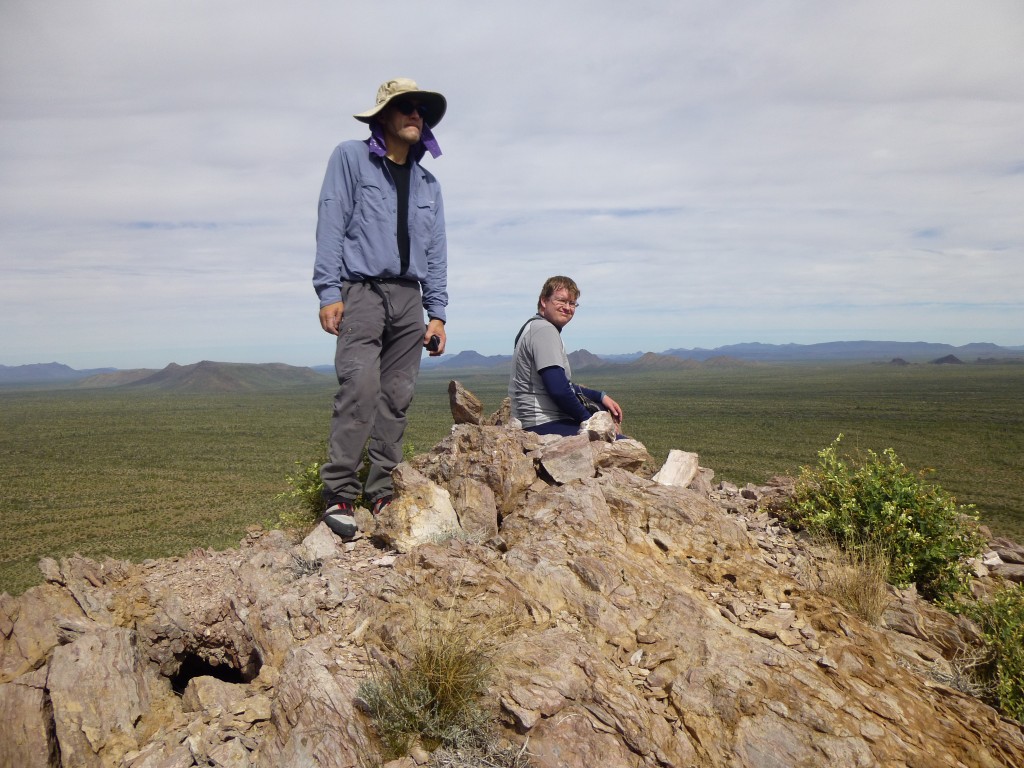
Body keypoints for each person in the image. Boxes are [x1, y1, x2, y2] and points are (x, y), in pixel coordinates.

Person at [313, 78, 449, 540]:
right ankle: (338, 492)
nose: (416, 115)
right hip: (361, 291)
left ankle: (383, 488)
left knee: (397, 396)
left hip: (410, 297)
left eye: (421, 110)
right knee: (360, 387)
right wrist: (328, 291)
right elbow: (332, 220)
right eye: (405, 107)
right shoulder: (351, 158)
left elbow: (437, 251)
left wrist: (438, 312)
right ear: (383, 116)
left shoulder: (429, 183)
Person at [509, 276, 624, 437]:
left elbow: (562, 384)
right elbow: (559, 390)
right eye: (561, 301)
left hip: (540, 421)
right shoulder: (544, 330)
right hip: (542, 424)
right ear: (544, 301)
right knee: (622, 445)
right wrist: (590, 421)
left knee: (600, 408)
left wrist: (600, 396)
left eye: (572, 303)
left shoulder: (534, 326)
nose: (567, 307)